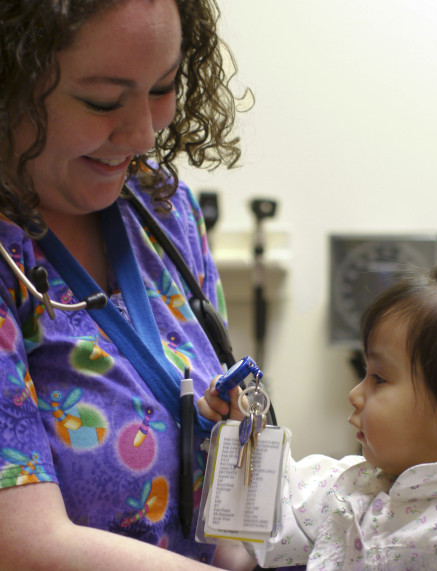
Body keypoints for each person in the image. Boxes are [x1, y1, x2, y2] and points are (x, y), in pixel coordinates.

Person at [0, 0, 254, 568]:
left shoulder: (162, 209)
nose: (142, 135)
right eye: (102, 100)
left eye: (162, 88)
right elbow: (21, 545)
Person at [202, 227, 437, 569]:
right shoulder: (352, 486)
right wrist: (242, 434)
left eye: (379, 379)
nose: (355, 394)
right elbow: (270, 515)